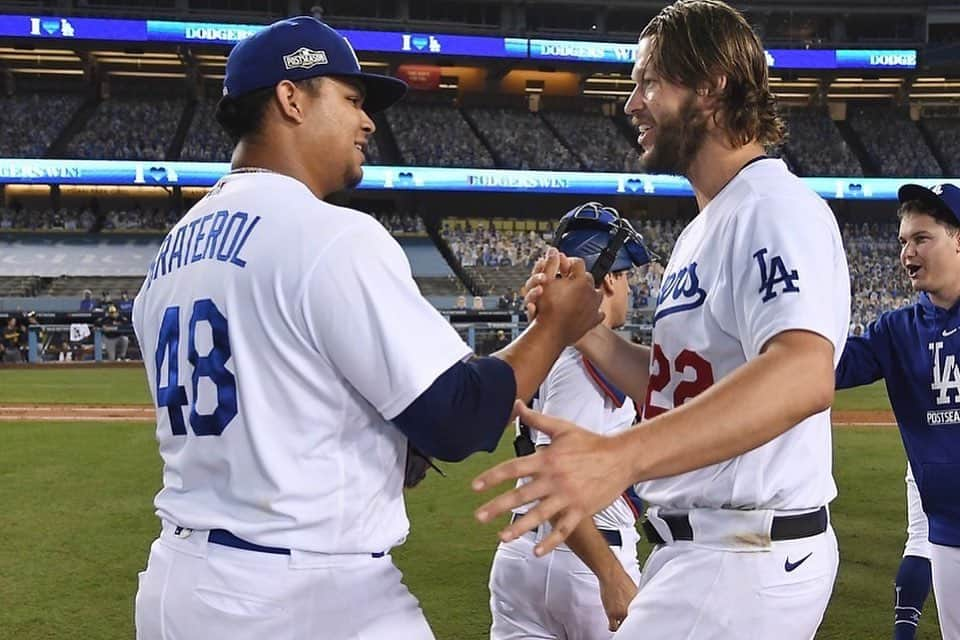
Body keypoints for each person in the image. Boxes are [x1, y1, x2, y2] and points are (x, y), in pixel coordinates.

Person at [131, 16, 601, 640]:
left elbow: (285, 401)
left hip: (179, 583)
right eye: (351, 99)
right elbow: (458, 417)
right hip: (305, 593)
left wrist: (381, 442)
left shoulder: (173, 249)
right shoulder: (329, 234)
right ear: (291, 98)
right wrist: (555, 327)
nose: (368, 120)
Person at [472, 2, 851, 638]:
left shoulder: (774, 208)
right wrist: (582, 329)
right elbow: (678, 386)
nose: (631, 104)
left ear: (712, 84)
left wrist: (621, 456)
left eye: (649, 81)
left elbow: (803, 374)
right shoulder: (709, 224)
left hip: (744, 551)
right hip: (705, 550)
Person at [488, 203, 650, 640]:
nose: (630, 288)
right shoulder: (582, 360)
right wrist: (611, 575)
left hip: (525, 554)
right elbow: (556, 474)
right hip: (585, 554)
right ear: (612, 277)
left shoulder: (545, 347)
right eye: (627, 277)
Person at [835, 183, 960, 640]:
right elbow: (827, 369)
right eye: (903, 241)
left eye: (921, 238)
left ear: (958, 239)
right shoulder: (896, 330)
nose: (907, 251)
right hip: (948, 535)